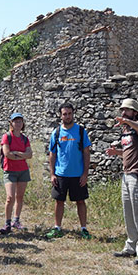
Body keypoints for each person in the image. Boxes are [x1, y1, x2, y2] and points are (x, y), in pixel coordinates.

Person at [106, 98, 138, 265]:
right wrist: (116, 152)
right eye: (122, 110)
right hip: (127, 175)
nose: (124, 113)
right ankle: (130, 246)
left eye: (127, 110)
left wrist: (128, 121)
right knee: (129, 213)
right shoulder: (126, 130)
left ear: (134, 112)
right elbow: (129, 152)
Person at [47, 103, 92, 240]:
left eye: (69, 113)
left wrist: (85, 174)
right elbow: (52, 154)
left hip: (77, 175)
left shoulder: (80, 131)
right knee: (59, 201)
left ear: (73, 114)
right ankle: (57, 228)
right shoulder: (57, 132)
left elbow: (86, 153)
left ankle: (84, 229)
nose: (67, 116)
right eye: (64, 114)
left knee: (80, 201)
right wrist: (52, 174)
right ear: (60, 115)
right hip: (61, 174)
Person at [0, 112, 32, 235]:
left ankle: (16, 220)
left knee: (20, 197)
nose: (18, 123)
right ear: (11, 123)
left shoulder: (24, 138)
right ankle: (7, 222)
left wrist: (17, 153)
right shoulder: (7, 136)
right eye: (15, 121)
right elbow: (7, 154)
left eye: (20, 121)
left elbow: (30, 154)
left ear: (22, 123)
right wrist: (22, 156)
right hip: (10, 171)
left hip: (23, 170)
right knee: (10, 198)